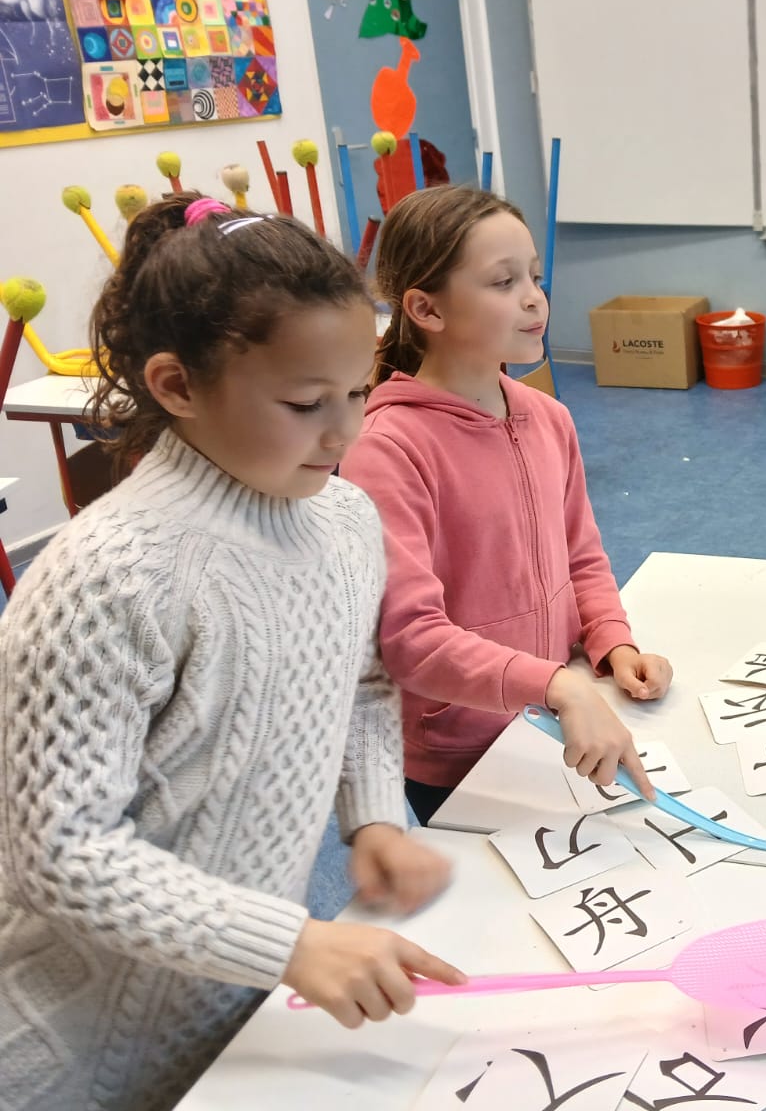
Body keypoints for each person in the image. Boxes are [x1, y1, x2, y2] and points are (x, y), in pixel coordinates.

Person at [0, 194, 464, 1111]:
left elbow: (363, 685)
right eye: (303, 403)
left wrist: (373, 817)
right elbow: (59, 852)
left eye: (358, 392)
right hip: (75, 1048)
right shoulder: (109, 576)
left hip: (232, 1001)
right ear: (175, 386)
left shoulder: (344, 519)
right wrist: (290, 943)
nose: (346, 432)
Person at [341, 186, 672, 825]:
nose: (533, 298)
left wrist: (611, 643)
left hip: (558, 717)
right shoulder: (385, 451)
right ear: (425, 309)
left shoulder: (549, 418)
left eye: (535, 277)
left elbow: (581, 555)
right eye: (502, 282)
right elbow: (410, 639)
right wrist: (557, 684)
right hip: (458, 748)